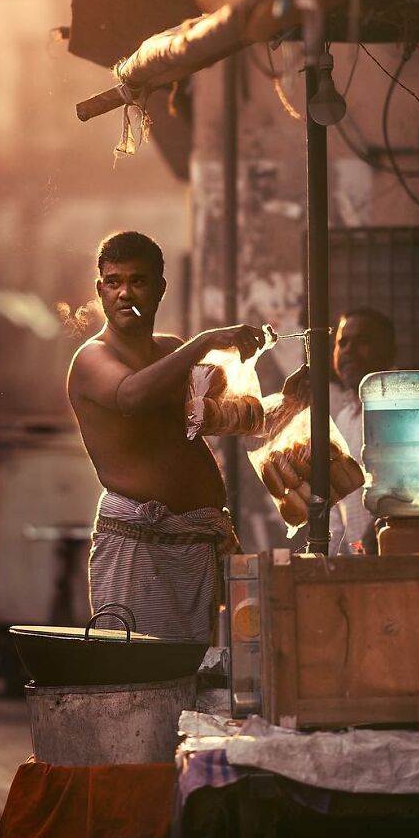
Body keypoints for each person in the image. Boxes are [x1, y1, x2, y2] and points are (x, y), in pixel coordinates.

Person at [67, 231, 266, 644]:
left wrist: (274, 405)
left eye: (137, 281)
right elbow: (131, 396)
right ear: (100, 289)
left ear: (159, 288)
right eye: (114, 281)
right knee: (142, 678)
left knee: (199, 673)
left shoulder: (171, 351)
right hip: (140, 547)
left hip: (200, 539)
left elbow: (209, 418)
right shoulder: (92, 357)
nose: (125, 293)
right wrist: (206, 341)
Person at [329, 308, 396, 554]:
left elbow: (405, 490)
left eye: (363, 342)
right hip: (359, 565)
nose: (348, 351)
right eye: (342, 343)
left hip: (395, 556)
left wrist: (379, 531)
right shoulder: (344, 418)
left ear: (389, 351)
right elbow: (335, 511)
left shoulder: (399, 408)